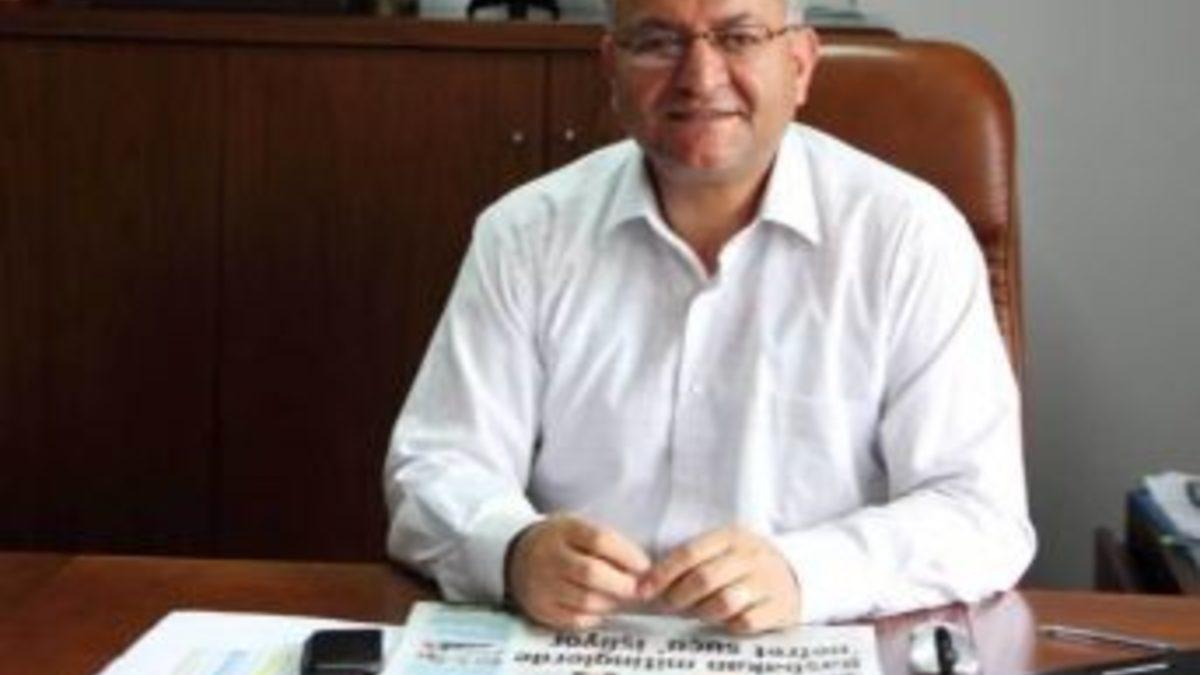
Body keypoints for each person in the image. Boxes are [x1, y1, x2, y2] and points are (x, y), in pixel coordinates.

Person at [384, 0, 1035, 635]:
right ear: (611, 68)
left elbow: (979, 513)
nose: (699, 77)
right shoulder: (526, 233)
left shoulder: (908, 238)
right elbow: (437, 466)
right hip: (576, 642)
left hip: (809, 639)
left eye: (739, 37)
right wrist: (514, 550)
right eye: (658, 42)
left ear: (800, 63)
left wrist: (805, 572)